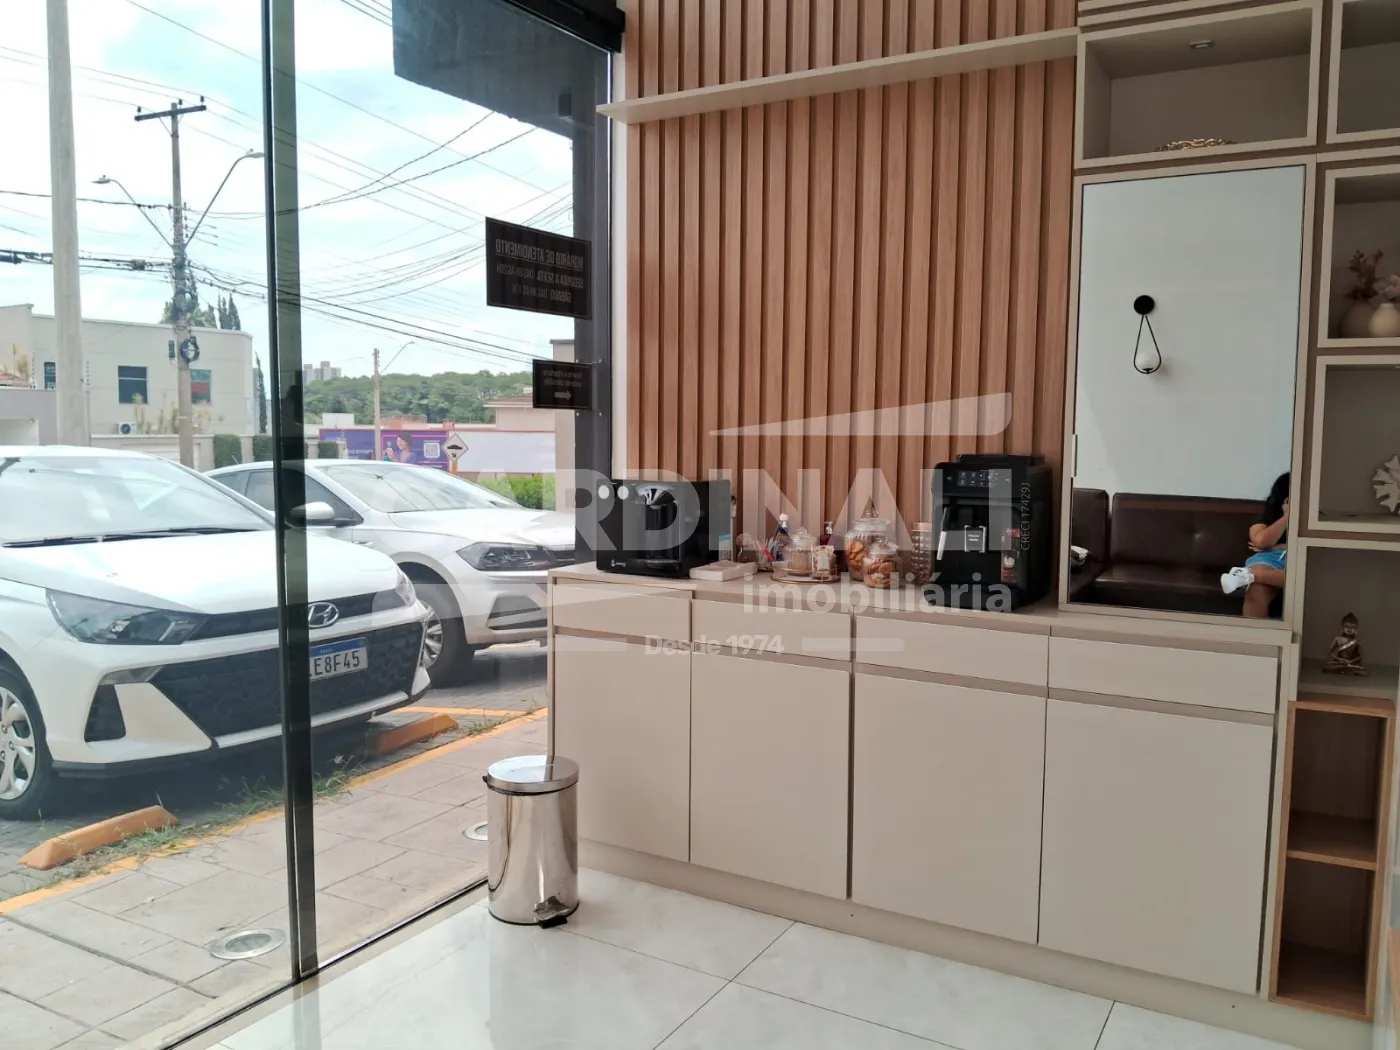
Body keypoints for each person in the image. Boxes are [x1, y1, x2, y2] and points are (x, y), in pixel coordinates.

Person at [1221, 471, 1289, 618]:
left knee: (1300, 578)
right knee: (1256, 591)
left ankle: (1248, 575)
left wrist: (1281, 547)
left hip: (1299, 558)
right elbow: (1262, 542)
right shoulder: (1268, 516)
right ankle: (1250, 576)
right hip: (1271, 559)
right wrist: (1286, 517)